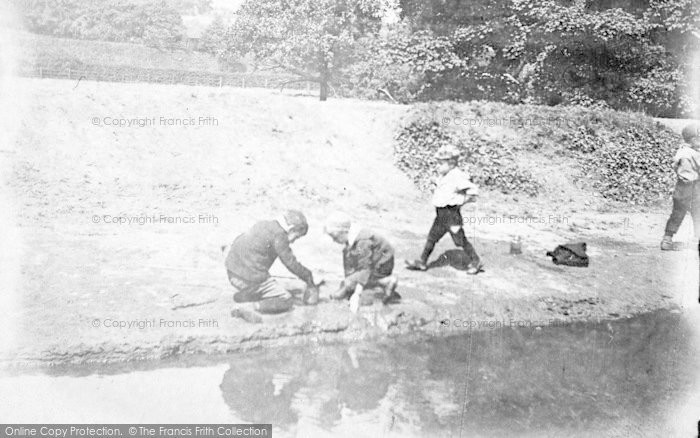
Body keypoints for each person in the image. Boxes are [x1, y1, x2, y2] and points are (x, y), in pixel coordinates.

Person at [224, 210, 320, 322]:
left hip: (232, 272)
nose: (293, 241)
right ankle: (251, 308)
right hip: (248, 277)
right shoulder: (280, 235)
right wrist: (308, 277)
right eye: (296, 237)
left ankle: (246, 295)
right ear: (291, 229)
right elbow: (290, 263)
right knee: (286, 299)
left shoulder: (265, 224)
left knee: (265, 284)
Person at [406, 145, 483, 274]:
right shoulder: (444, 176)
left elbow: (473, 190)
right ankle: (422, 262)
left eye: (441, 164)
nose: (438, 166)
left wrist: (461, 201)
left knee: (460, 240)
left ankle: (476, 260)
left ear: (451, 164)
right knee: (432, 237)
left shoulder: (457, 176)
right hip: (441, 215)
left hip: (452, 215)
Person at [324, 212, 400, 313]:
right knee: (351, 278)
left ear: (344, 232)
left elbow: (365, 269)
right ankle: (352, 286)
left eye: (334, 237)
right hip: (372, 257)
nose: (333, 240)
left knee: (362, 284)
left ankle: (386, 281)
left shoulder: (362, 242)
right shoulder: (352, 238)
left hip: (382, 261)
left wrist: (356, 294)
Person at [661, 124, 700, 251]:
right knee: (697, 213)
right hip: (693, 186)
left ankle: (667, 239)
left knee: (677, 213)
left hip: (681, 185)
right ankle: (697, 239)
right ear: (693, 140)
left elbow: (675, 166)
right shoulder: (694, 154)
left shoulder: (681, 151)